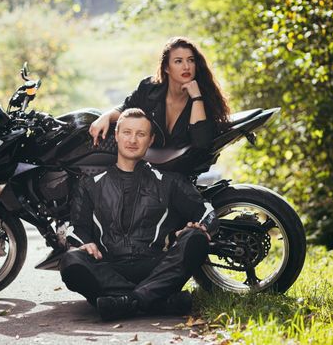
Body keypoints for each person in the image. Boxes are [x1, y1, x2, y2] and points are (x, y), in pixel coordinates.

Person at [60, 108, 219, 321]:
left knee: (196, 239)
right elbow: (76, 228)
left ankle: (125, 302)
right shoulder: (89, 184)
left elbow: (207, 212)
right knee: (71, 260)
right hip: (110, 268)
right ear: (116, 135)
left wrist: (201, 227)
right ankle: (157, 301)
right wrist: (85, 243)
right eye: (127, 132)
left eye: (141, 134)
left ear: (150, 139)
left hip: (157, 267)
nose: (132, 140)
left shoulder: (170, 181)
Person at [89, 36, 230, 150]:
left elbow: (201, 143)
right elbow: (126, 108)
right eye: (178, 61)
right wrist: (105, 117)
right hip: (151, 165)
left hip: (184, 168)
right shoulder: (149, 88)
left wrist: (196, 98)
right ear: (167, 68)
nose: (186, 67)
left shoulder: (204, 96)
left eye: (191, 60)